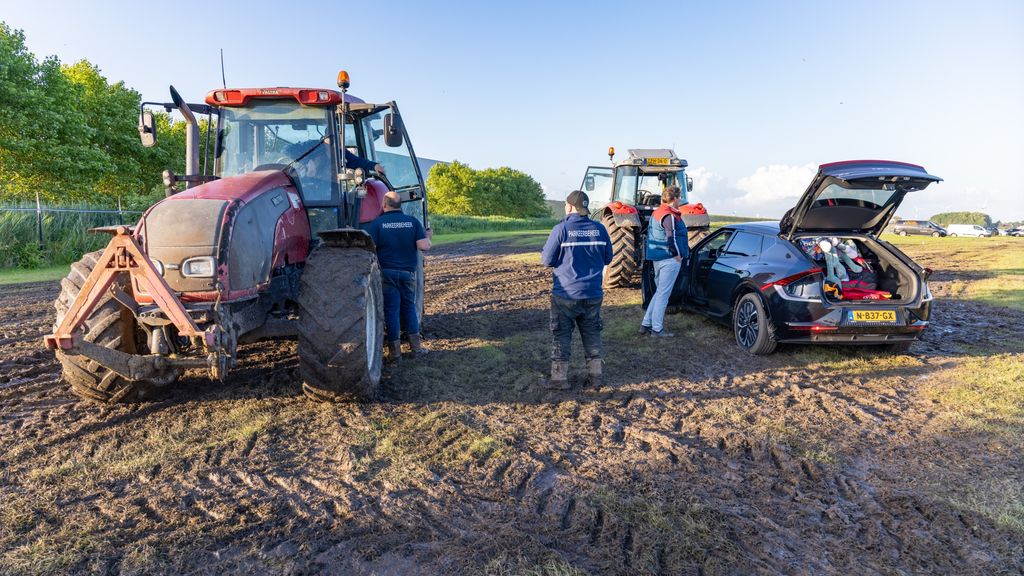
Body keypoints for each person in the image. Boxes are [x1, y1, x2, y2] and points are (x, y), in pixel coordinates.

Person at [540, 190, 613, 389]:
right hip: (593, 294)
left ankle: (559, 379)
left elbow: (546, 260)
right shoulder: (600, 229)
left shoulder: (561, 229)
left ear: (570, 207)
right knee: (592, 333)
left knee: (562, 334)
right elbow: (608, 258)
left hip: (566, 294)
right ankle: (595, 377)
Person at [364, 191, 432, 362]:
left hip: (386, 274)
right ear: (400, 204)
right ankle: (416, 349)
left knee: (391, 311)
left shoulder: (377, 224)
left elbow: (369, 249)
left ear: (384, 204)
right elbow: (424, 246)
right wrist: (428, 237)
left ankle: (395, 354)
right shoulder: (412, 222)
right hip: (408, 274)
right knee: (408, 307)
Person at [640, 185, 688, 337]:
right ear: (674, 199)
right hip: (669, 259)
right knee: (663, 295)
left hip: (657, 257)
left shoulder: (657, 212)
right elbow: (670, 238)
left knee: (659, 292)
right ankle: (657, 329)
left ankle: (646, 324)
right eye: (679, 197)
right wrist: (677, 255)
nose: (680, 200)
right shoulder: (669, 216)